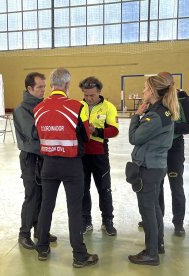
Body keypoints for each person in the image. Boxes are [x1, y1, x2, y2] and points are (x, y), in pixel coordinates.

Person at [34, 68, 99, 268]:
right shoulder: (76, 106)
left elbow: (36, 135)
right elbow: (85, 137)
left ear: (52, 85)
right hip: (71, 165)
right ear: (68, 85)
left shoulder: (38, 108)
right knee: (74, 210)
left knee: (46, 206)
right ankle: (79, 256)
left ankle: (42, 247)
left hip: (48, 164)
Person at [128, 74, 179, 266]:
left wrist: (136, 116)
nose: (143, 92)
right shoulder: (163, 111)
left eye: (145, 89)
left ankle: (151, 253)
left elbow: (134, 138)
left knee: (147, 209)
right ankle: (157, 245)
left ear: (154, 92)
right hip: (156, 166)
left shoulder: (154, 115)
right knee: (155, 208)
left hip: (149, 168)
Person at [138, 72, 189, 237]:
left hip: (174, 148)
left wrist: (166, 128)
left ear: (172, 83)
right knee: (157, 185)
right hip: (157, 148)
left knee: (176, 185)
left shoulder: (183, 100)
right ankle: (156, 218)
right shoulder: (155, 103)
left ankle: (178, 223)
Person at [13, 72, 57, 250]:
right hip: (31, 159)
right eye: (39, 87)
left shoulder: (42, 106)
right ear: (29, 88)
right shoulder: (22, 109)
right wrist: (55, 130)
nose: (43, 90)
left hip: (44, 157)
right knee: (32, 196)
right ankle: (24, 234)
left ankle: (40, 230)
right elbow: (34, 133)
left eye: (44, 87)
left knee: (44, 196)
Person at [79, 76, 119, 236]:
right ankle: (85, 221)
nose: (89, 98)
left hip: (100, 155)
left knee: (104, 189)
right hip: (81, 155)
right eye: (86, 95)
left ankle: (107, 221)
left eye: (92, 95)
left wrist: (96, 131)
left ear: (99, 92)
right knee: (82, 190)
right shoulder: (77, 106)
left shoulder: (109, 107)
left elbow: (114, 130)